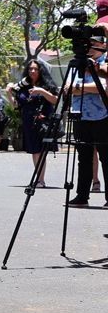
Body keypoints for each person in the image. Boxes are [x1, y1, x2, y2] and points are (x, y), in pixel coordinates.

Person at [68, 38, 108, 206]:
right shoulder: (77, 63)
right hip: (80, 116)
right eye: (87, 44)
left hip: (102, 117)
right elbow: (67, 87)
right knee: (83, 158)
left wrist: (79, 88)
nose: (90, 48)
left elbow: (104, 88)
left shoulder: (104, 63)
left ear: (102, 46)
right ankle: (82, 196)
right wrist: (83, 88)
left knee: (106, 158)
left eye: (94, 44)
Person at [7, 59, 58, 189]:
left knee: (41, 151)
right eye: (30, 69)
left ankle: (40, 180)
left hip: (43, 121)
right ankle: (39, 179)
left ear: (40, 70)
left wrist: (41, 91)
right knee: (35, 151)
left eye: (35, 69)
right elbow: (16, 105)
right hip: (29, 122)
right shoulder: (23, 86)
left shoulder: (47, 85)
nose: (32, 71)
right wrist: (8, 93)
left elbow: (55, 100)